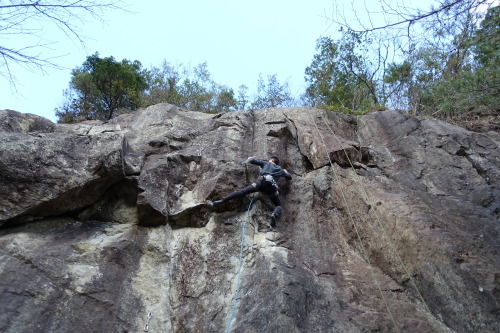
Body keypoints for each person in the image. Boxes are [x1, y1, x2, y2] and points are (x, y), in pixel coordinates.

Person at [212, 156, 292, 229]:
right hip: (271, 188)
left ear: (271, 160)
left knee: (242, 192)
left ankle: (222, 200)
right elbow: (289, 177)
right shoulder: (280, 170)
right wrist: (286, 172)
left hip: (261, 183)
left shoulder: (266, 163)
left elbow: (251, 160)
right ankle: (274, 214)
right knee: (278, 205)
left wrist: (250, 158)